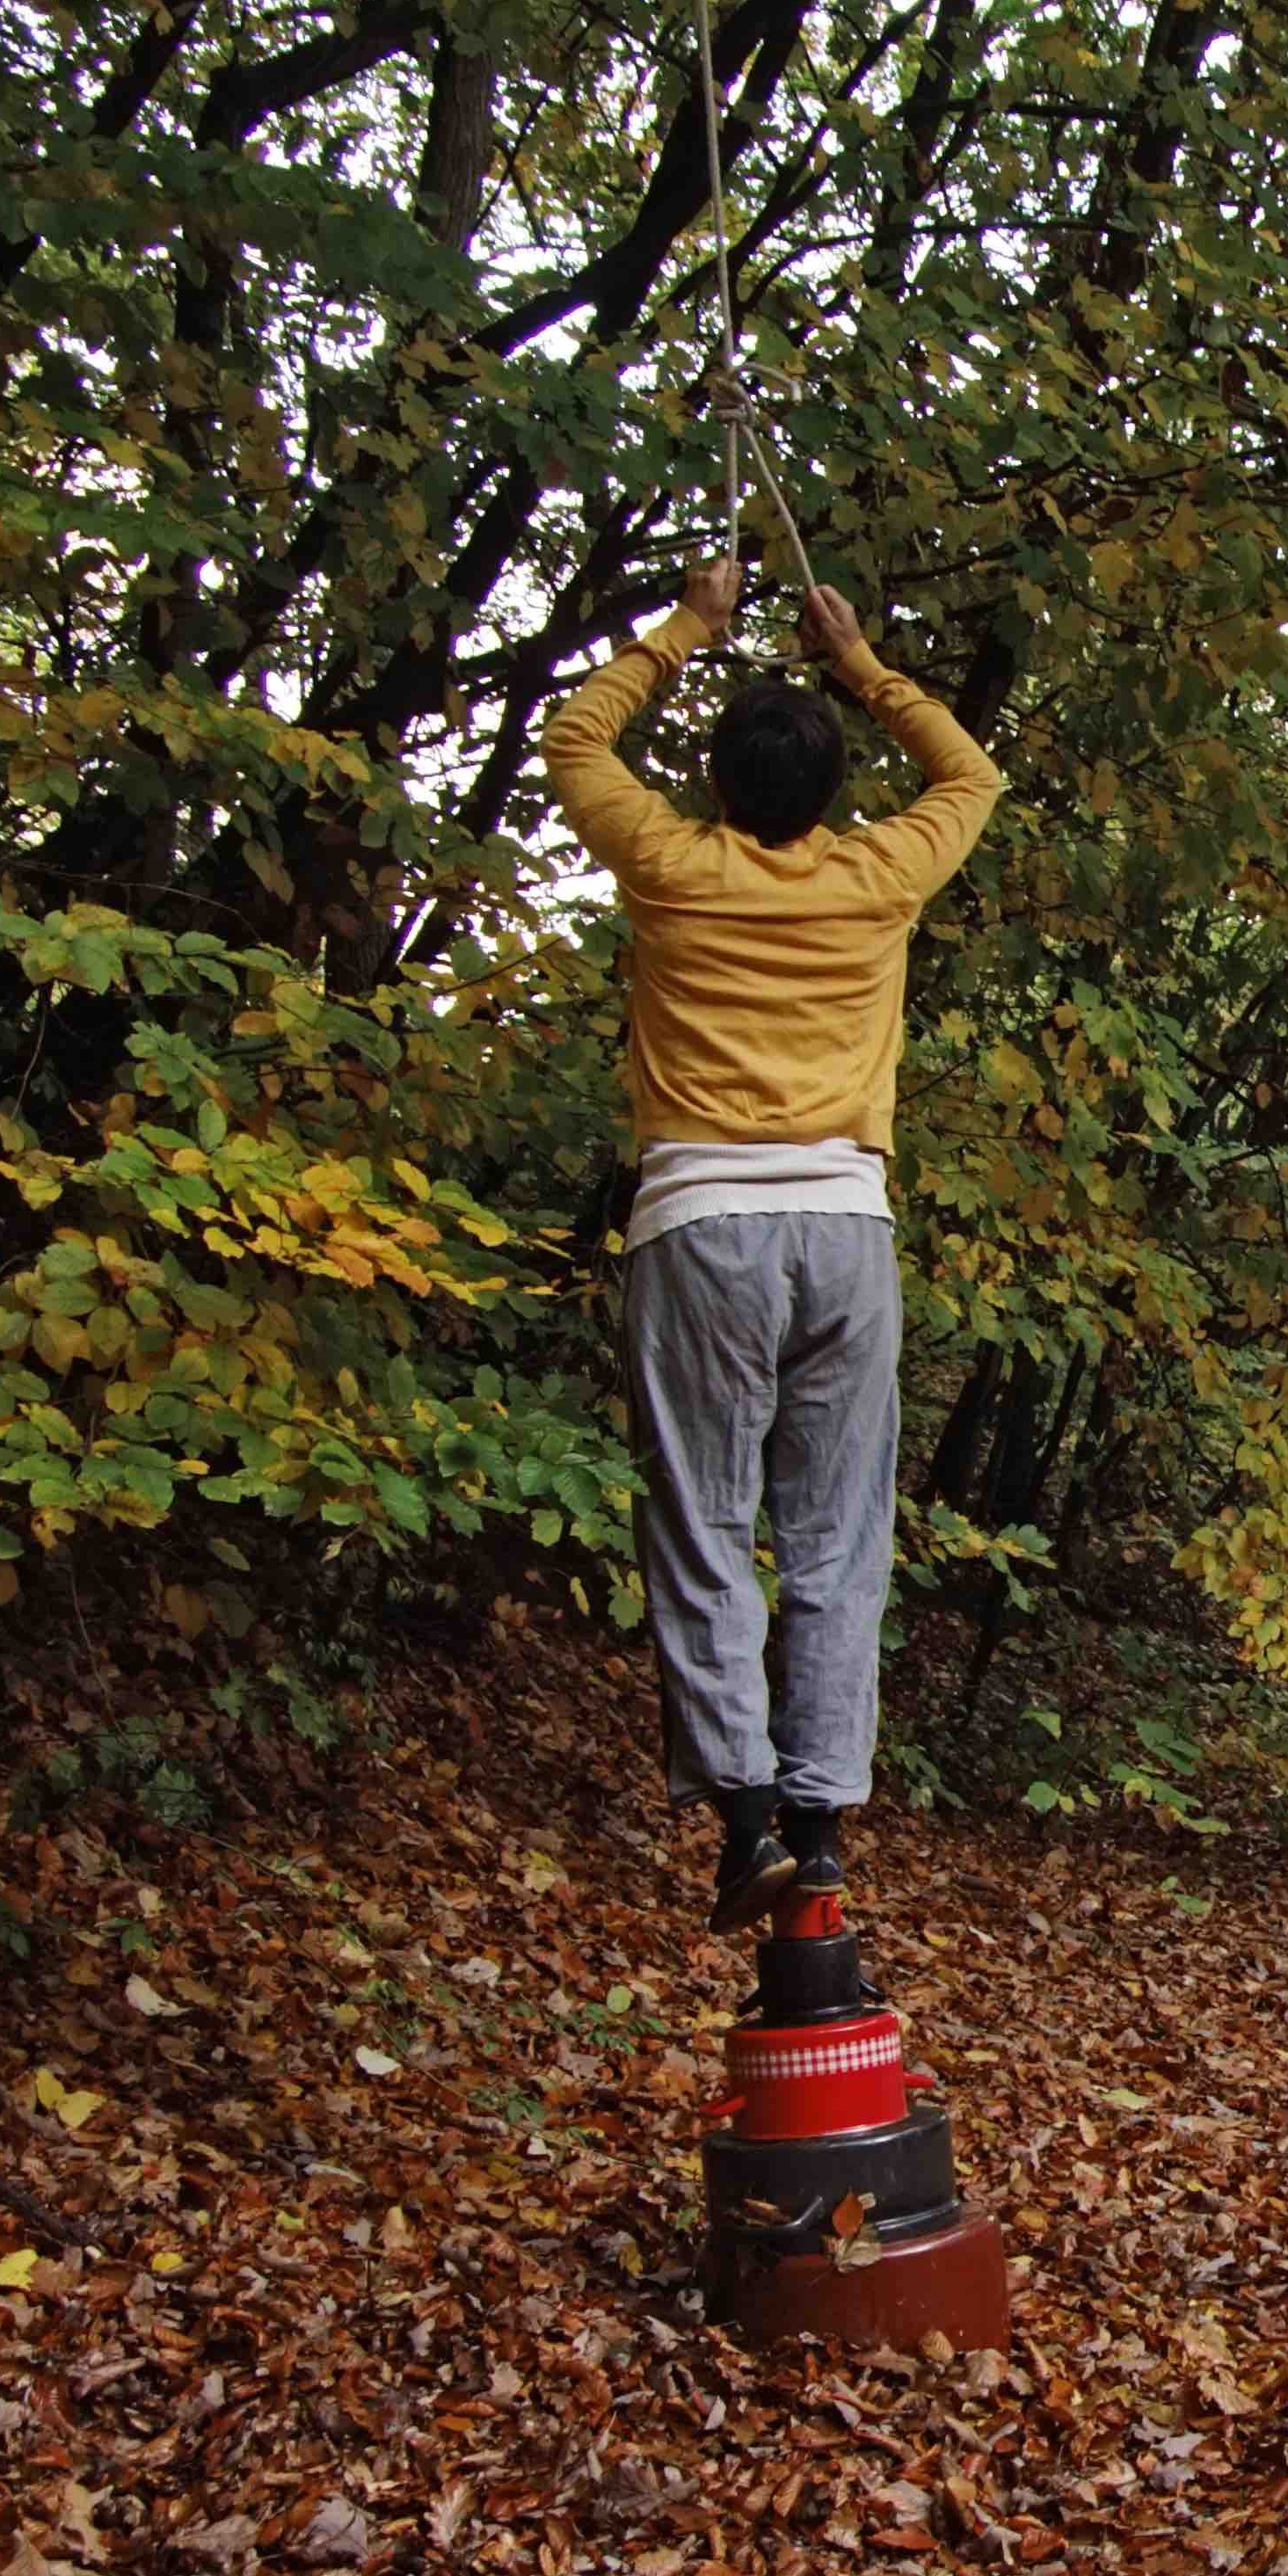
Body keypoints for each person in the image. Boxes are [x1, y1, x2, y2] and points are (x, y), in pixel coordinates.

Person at [541, 553, 1003, 1925]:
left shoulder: (672, 866)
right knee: (837, 1539)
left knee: (704, 1523)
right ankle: (823, 1826)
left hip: (701, 1228)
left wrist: (690, 624)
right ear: (825, 794)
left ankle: (746, 1820)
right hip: (846, 1235)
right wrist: (861, 661)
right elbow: (971, 777)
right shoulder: (876, 877)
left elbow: (573, 736)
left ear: (719, 788)